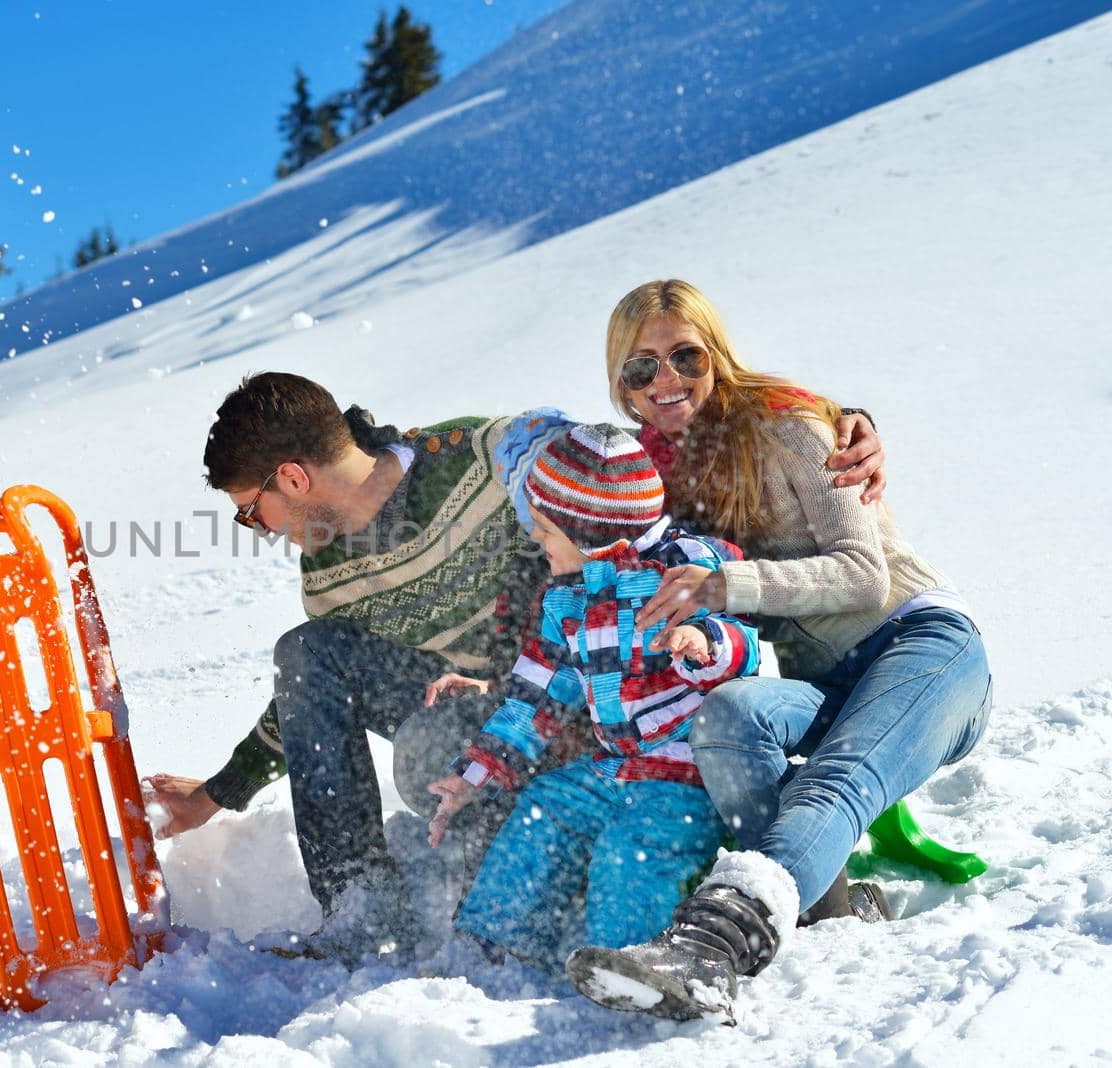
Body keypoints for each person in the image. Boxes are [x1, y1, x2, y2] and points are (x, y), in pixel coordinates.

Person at [142, 372, 885, 964]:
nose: (259, 529)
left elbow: (642, 447)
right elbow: (307, 697)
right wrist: (222, 791)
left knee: (446, 746)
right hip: (518, 709)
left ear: (292, 479)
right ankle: (365, 910)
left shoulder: (488, 454)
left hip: (625, 694)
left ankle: (568, 904)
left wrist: (827, 425)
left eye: (251, 509)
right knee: (316, 660)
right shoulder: (329, 575)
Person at [567, 280, 991, 1020]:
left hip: (922, 643)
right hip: (825, 681)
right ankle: (834, 918)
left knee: (839, 776)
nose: (666, 380)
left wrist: (722, 585)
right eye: (642, 368)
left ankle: (710, 947)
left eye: (684, 356)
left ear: (716, 355)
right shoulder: (650, 476)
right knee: (730, 717)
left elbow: (864, 577)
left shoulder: (787, 425)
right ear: (621, 387)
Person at [423, 416, 759, 971]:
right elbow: (532, 703)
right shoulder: (569, 605)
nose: (535, 536)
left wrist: (703, 639)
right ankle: (489, 945)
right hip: (613, 769)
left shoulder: (685, 570)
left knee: (630, 853)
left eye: (545, 527)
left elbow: (745, 642)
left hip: (690, 776)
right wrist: (473, 776)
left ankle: (631, 964)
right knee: (542, 809)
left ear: (588, 532)